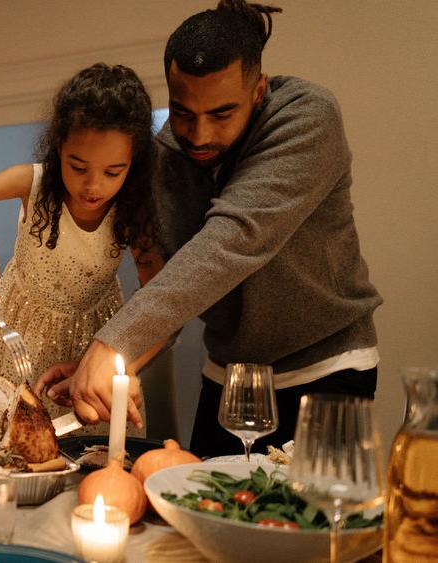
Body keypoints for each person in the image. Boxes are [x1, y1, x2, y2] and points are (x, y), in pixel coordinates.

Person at [37, 0, 383, 457]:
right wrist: (102, 364)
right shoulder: (162, 157)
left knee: (312, 522)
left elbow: (234, 239)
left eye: (221, 114)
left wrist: (111, 342)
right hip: (228, 375)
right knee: (199, 515)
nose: (199, 135)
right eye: (182, 113)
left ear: (258, 91)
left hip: (327, 366)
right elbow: (173, 286)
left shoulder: (307, 116)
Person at [0, 63, 165, 435]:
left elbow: (162, 304)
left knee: (94, 456)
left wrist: (122, 365)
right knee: (12, 449)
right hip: (19, 341)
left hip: (96, 342)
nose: (93, 185)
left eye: (113, 172)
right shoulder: (32, 182)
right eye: (78, 166)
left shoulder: (134, 209)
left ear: (134, 163)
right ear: (58, 146)